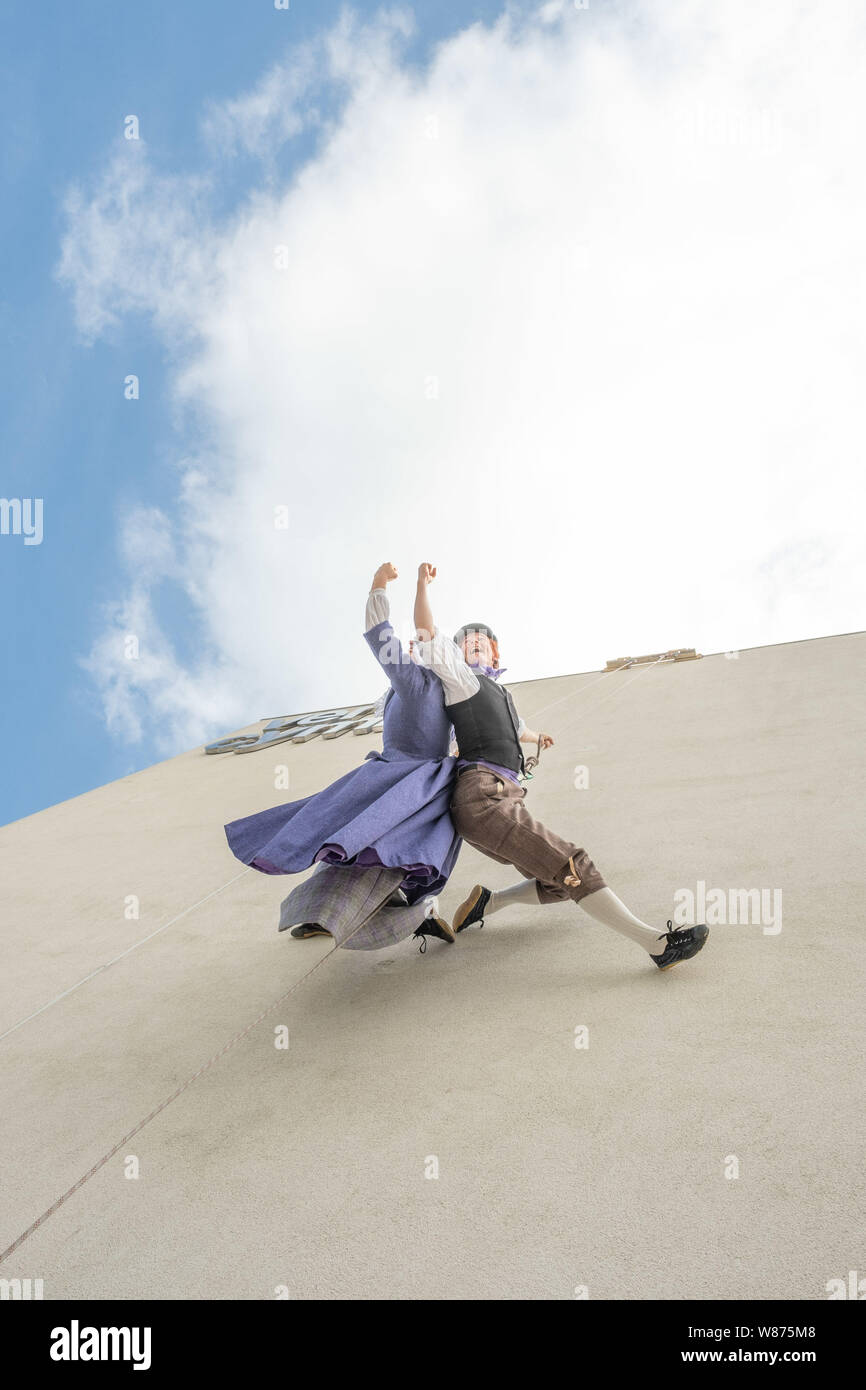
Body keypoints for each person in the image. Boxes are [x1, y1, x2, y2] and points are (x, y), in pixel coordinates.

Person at [412, 564, 709, 970]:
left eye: (481, 641)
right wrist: (421, 586)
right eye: (465, 641)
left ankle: (489, 902)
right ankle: (657, 944)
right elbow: (428, 635)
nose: (472, 643)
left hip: (504, 794)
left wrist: (537, 738)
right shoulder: (461, 680)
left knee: (558, 882)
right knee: (573, 864)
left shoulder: (501, 693)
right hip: (482, 795)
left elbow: (517, 729)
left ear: (496, 652)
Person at [223, 562, 460, 951]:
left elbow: (387, 637)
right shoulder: (417, 682)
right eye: (417, 646)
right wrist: (382, 588)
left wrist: (380, 587)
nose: (417, 649)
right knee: (385, 850)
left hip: (419, 785)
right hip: (406, 784)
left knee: (379, 849)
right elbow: (387, 638)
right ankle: (377, 911)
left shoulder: (443, 688)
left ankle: (402, 910)